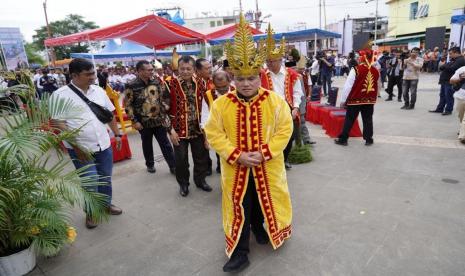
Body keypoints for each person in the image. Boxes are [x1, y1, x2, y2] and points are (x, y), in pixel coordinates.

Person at [204, 15, 293, 272]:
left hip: (268, 165)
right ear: (233, 78)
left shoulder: (275, 101)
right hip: (236, 168)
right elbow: (213, 133)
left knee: (265, 199)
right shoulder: (221, 104)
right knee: (240, 204)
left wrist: (265, 152)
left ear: (259, 76)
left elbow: (285, 130)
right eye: (240, 79)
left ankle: (263, 228)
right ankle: (240, 252)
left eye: (251, 78)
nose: (245, 84)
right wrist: (237, 155)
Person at [50, 58, 123, 229]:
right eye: (88, 74)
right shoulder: (60, 95)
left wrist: (118, 135)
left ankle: (105, 205)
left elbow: (109, 115)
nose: (93, 77)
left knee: (105, 178)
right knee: (90, 182)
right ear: (74, 75)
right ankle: (91, 212)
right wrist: (76, 146)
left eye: (93, 73)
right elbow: (59, 124)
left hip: (103, 145)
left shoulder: (98, 91)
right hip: (80, 149)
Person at [260, 24, 304, 170]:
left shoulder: (291, 74)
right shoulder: (261, 75)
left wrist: (296, 107)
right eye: (267, 61)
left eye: (272, 61)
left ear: (280, 60)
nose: (269, 64)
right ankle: (272, 159)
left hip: (288, 108)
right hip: (268, 109)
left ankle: (284, 159)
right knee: (270, 136)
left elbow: (298, 92)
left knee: (288, 136)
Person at [167, 55, 212, 197]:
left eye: (188, 69)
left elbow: (207, 106)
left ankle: (200, 180)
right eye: (182, 69)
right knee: (181, 161)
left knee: (201, 157)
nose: (185, 71)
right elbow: (162, 110)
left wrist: (208, 129)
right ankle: (183, 184)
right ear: (178, 69)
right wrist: (170, 130)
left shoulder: (201, 83)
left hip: (198, 129)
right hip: (178, 130)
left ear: (194, 69)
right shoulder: (169, 85)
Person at [124, 60, 176, 174]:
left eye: (152, 69)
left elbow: (162, 97)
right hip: (143, 122)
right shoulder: (131, 85)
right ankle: (150, 164)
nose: (151, 72)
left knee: (165, 144)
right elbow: (128, 105)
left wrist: (165, 107)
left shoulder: (156, 81)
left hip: (158, 120)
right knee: (147, 144)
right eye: (149, 70)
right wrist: (134, 121)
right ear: (140, 71)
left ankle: (173, 166)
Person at [335, 49, 380, 146]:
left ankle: (343, 139)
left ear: (362, 58)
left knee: (350, 119)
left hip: (355, 99)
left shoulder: (355, 69)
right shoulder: (375, 70)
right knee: (368, 119)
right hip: (369, 100)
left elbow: (348, 86)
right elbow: (377, 85)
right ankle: (369, 139)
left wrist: (343, 101)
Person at [200, 70, 235, 173]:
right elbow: (205, 119)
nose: (222, 90)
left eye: (224, 86)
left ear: (229, 81)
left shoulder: (237, 91)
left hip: (235, 131)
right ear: (213, 84)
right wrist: (206, 139)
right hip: (219, 134)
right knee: (222, 158)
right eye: (218, 87)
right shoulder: (208, 95)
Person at [429, 47, 465, 115]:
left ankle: (448, 110)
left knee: (448, 96)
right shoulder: (453, 60)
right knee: (442, 95)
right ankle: (440, 108)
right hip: (445, 80)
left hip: (450, 81)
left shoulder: (460, 60)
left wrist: (446, 66)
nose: (450, 55)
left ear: (456, 53)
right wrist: (446, 66)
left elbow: (452, 69)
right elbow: (442, 67)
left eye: (451, 54)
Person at [195, 58, 214, 175]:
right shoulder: (194, 83)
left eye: (210, 67)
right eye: (207, 68)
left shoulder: (213, 81)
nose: (210, 70)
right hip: (198, 118)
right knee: (202, 145)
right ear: (198, 70)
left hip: (212, 116)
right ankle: (206, 166)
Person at [296, 57, 316, 145]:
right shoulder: (290, 75)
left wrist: (309, 95)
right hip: (292, 102)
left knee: (302, 121)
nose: (301, 70)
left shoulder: (305, 75)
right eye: (300, 69)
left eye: (302, 68)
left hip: (301, 101)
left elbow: (309, 85)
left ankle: (306, 139)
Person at [450, 65, 465, 144]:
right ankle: (462, 129)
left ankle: (463, 136)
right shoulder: (462, 69)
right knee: (461, 116)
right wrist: (460, 78)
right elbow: (451, 80)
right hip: (461, 97)